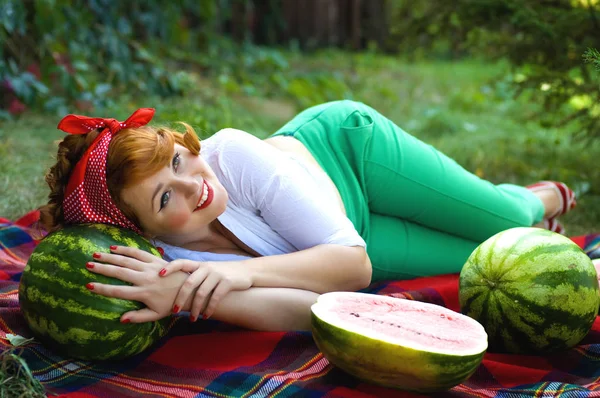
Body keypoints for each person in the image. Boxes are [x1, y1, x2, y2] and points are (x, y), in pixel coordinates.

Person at [38, 101, 577, 331]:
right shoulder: (169, 259)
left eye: (177, 160)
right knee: (496, 264)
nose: (193, 184)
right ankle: (530, 220)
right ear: (145, 232)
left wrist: (238, 272)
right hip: (349, 240)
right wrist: (190, 294)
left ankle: (537, 196)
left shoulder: (232, 156)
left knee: (507, 219)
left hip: (354, 156)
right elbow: (320, 308)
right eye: (163, 199)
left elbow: (353, 266)